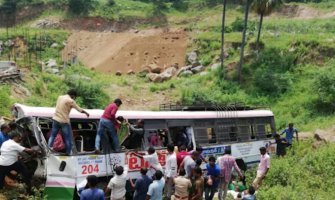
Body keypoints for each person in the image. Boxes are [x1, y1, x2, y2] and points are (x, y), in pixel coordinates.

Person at [48, 89, 89, 155]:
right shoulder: (71, 101)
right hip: (64, 121)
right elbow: (79, 109)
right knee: (68, 138)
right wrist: (86, 113)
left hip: (55, 119)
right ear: (73, 96)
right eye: (75, 97)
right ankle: (68, 153)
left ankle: (49, 149)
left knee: (53, 136)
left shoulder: (60, 97)